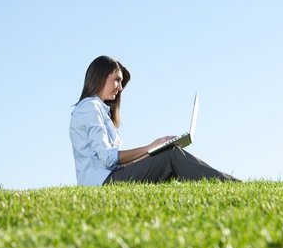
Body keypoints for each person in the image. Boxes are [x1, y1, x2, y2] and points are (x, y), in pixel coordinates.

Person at [69, 55, 238, 186]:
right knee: (171, 156)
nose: (120, 88)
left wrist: (155, 149)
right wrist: (149, 148)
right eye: (117, 80)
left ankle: (224, 182)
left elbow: (112, 163)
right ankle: (230, 184)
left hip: (110, 178)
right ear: (100, 76)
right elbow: (108, 158)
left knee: (167, 153)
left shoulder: (98, 110)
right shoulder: (89, 107)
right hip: (103, 184)